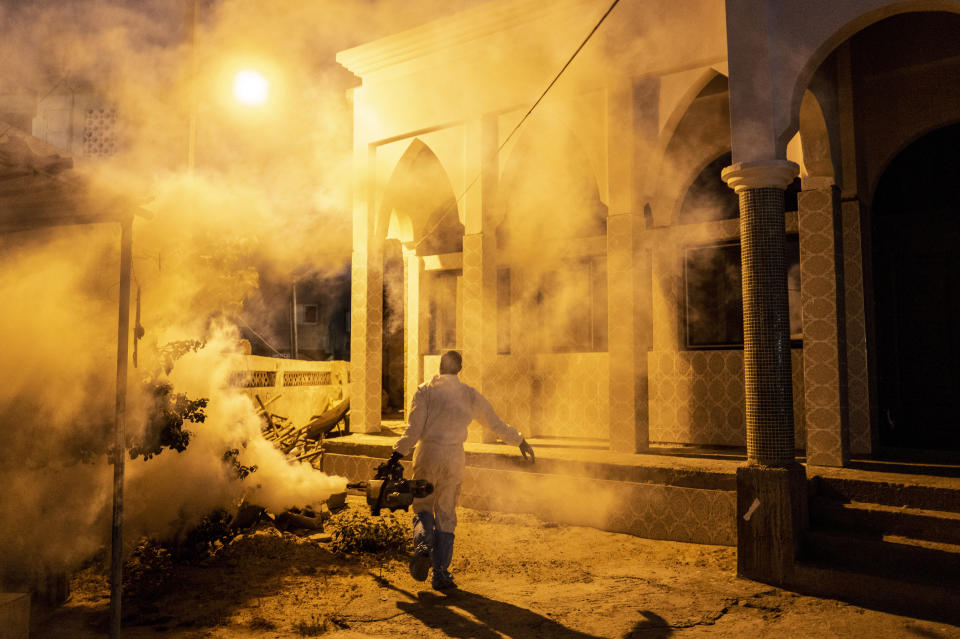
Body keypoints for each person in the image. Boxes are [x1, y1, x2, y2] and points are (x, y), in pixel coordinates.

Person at [385, 350, 535, 590]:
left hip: (429, 454)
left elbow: (413, 431)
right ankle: (441, 574)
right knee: (446, 512)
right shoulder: (469, 395)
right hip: (454, 456)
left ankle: (423, 546)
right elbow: (494, 423)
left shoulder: (425, 390)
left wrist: (395, 455)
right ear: (459, 369)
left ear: (440, 367)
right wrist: (520, 441)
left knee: (423, 506)